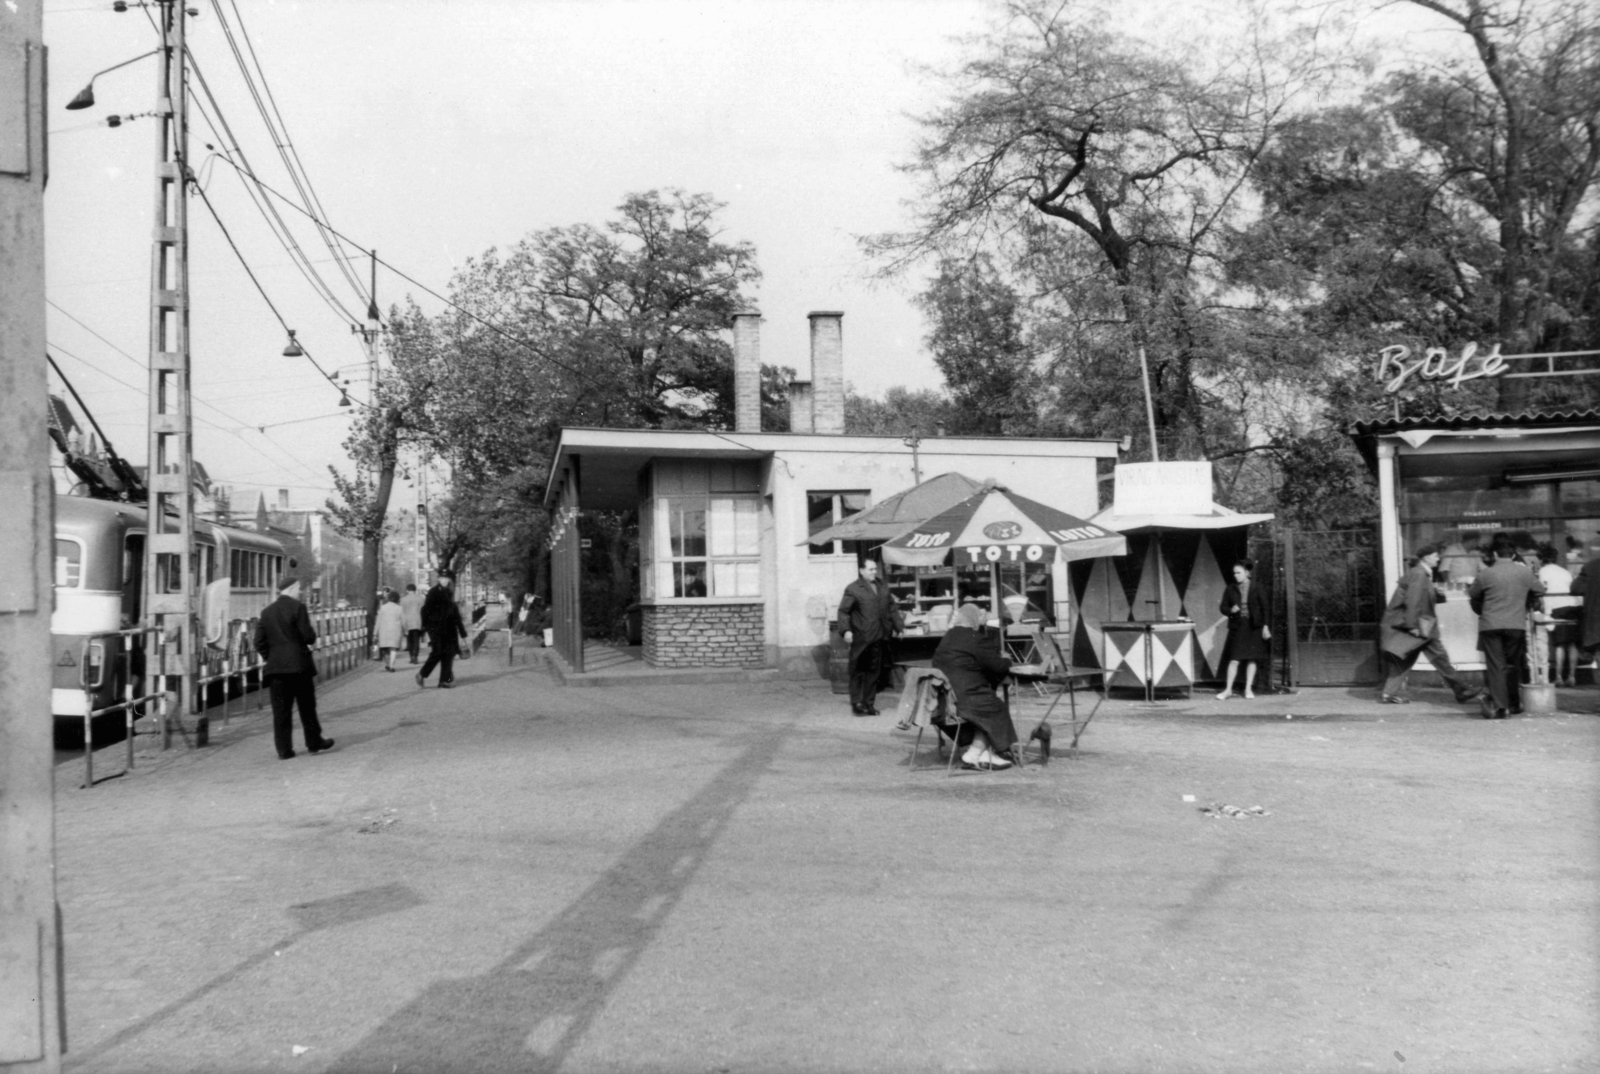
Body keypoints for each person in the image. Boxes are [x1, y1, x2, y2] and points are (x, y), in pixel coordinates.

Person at [1378, 544, 1484, 705]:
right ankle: (1462, 690)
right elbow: (1413, 602)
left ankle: (1388, 693)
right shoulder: (1420, 574)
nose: (1438, 558)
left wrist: (1437, 595)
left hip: (1421, 626)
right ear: (1426, 558)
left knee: (1407, 660)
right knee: (1440, 658)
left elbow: (1420, 596)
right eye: (1435, 556)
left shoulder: (1421, 573)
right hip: (1421, 627)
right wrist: (1412, 627)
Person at [253, 574, 334, 759]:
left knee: (280, 710)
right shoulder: (298, 608)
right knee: (307, 707)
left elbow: (258, 641)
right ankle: (314, 743)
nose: (300, 592)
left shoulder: (266, 612)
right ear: (290, 589)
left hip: (276, 669)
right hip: (299, 666)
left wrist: (271, 657)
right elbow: (308, 637)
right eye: (298, 588)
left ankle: (284, 750)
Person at [931, 602, 1017, 769]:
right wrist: (1007, 659)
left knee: (987, 704)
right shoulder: (975, 638)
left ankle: (983, 753)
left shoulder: (947, 637)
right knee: (996, 707)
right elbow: (997, 666)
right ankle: (974, 754)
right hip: (965, 700)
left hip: (943, 701)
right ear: (975, 620)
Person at [1468, 533, 1544, 719]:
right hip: (1515, 625)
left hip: (1490, 625)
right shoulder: (1524, 572)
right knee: (1512, 665)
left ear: (1494, 554)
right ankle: (1514, 703)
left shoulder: (1485, 574)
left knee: (1496, 666)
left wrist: (1482, 611)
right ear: (1512, 555)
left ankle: (1501, 707)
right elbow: (1540, 589)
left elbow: (1473, 594)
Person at [834, 559, 903, 715]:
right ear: (862, 571)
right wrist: (846, 630)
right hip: (861, 636)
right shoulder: (853, 589)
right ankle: (857, 703)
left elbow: (891, 607)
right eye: (871, 569)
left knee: (874, 671)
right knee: (858, 670)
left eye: (875, 569)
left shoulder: (882, 586)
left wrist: (899, 626)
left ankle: (869, 703)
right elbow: (843, 611)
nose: (874, 572)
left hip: (879, 635)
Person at [1216, 559, 1270, 700]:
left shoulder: (1257, 587)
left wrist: (1265, 626)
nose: (1236, 575)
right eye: (1234, 573)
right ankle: (1228, 690)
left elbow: (1265, 608)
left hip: (1254, 627)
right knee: (1234, 659)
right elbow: (1222, 607)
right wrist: (1231, 610)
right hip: (1238, 627)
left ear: (1247, 573)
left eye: (1239, 572)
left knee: (1252, 659)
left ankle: (1248, 689)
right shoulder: (1231, 588)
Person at [416, 570, 468, 689]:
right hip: (436, 628)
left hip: (449, 629)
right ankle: (421, 674)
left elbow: (455, 614)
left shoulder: (449, 592)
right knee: (437, 652)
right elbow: (425, 610)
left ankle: (444, 681)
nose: (444, 581)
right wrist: (425, 627)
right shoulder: (433, 592)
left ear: (449, 580)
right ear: (439, 579)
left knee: (449, 653)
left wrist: (462, 632)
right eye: (442, 578)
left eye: (446, 579)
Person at [1537, 545, 1578, 687]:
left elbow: (1543, 593)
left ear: (1542, 558)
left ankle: (1559, 676)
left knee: (1559, 644)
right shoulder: (1565, 572)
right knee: (1572, 643)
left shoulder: (1542, 571)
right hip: (1571, 606)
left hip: (1556, 607)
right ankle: (1572, 676)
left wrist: (1546, 612)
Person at [375, 590, 405, 672]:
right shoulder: (399, 608)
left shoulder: (383, 608)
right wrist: (405, 630)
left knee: (385, 648)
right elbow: (403, 621)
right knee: (393, 649)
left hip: (384, 631)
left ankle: (387, 663)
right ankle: (391, 665)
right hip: (395, 631)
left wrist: (375, 633)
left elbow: (378, 621)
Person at [400, 583, 425, 664]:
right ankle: (415, 656)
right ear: (415, 590)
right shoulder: (421, 599)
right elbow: (424, 611)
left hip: (407, 622)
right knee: (416, 640)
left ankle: (411, 657)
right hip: (418, 621)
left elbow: (401, 612)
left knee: (409, 640)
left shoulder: (403, 599)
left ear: (407, 590)